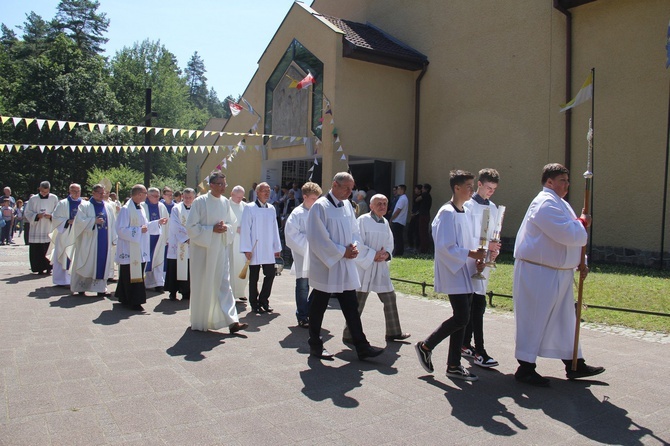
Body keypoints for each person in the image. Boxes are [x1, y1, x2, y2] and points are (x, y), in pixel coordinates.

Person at [513, 163, 605, 386]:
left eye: (567, 180)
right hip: (539, 272)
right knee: (534, 318)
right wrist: (583, 222)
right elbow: (566, 233)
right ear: (549, 182)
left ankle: (575, 363)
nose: (567, 184)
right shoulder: (544, 203)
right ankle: (525, 367)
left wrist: (580, 261)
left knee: (565, 320)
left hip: (559, 273)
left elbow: (573, 239)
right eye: (562, 180)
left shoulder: (561, 204)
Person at [414, 170, 486, 381]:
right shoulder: (447, 212)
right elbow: (445, 247)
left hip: (466, 270)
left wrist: (477, 260)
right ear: (457, 187)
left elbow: (468, 242)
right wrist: (471, 254)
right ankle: (426, 345)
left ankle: (453, 365)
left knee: (462, 319)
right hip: (453, 271)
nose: (472, 190)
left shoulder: (463, 211)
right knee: (462, 316)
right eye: (469, 186)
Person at [306, 172, 384, 361]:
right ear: (335, 185)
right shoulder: (320, 207)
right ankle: (315, 344)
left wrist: (354, 247)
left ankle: (362, 346)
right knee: (319, 306)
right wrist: (342, 251)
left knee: (351, 305)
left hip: (345, 264)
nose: (350, 192)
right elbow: (317, 238)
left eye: (352, 188)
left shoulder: (348, 205)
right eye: (346, 188)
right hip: (328, 266)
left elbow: (354, 231)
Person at [343, 194, 410, 343]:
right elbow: (356, 242)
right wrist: (372, 255)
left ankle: (393, 332)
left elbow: (389, 242)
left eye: (385, 203)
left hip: (380, 266)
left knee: (390, 298)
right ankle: (348, 334)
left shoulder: (385, 222)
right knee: (358, 303)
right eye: (379, 203)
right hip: (364, 267)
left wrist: (386, 254)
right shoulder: (363, 220)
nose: (382, 206)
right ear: (371, 206)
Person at [185, 172, 247, 333]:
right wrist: (210, 230)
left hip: (220, 250)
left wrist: (225, 228)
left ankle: (232, 321)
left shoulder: (225, 202)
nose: (223, 187)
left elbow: (231, 223)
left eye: (224, 184)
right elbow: (191, 227)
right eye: (220, 184)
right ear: (211, 185)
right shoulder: (200, 202)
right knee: (204, 284)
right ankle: (200, 320)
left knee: (224, 284)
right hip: (203, 251)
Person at [462, 169, 502, 368]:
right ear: (479, 184)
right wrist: (481, 250)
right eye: (488, 188)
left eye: (494, 189)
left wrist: (495, 249)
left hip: (485, 260)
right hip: (471, 259)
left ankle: (464, 343)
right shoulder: (468, 206)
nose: (490, 192)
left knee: (476, 302)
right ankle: (480, 351)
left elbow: (495, 232)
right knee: (475, 304)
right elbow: (467, 234)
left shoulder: (494, 208)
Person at [115, 185, 165, 310]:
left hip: (139, 247)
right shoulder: (126, 209)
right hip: (129, 249)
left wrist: (157, 222)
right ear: (138, 194)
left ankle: (124, 297)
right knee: (130, 274)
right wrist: (138, 230)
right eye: (144, 193)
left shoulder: (141, 208)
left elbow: (145, 225)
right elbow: (120, 230)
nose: (146, 195)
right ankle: (134, 301)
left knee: (133, 273)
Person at [240, 182, 282, 314]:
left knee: (270, 274)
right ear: (257, 193)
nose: (267, 193)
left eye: (269, 191)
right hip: (255, 247)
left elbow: (275, 229)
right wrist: (247, 248)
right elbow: (245, 229)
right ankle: (254, 303)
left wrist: (277, 247)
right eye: (264, 191)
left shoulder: (271, 208)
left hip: (268, 247)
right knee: (254, 277)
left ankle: (264, 300)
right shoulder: (249, 207)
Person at [285, 181, 322, 328]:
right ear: (305, 197)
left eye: (318, 198)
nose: (316, 201)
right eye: (313, 198)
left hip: (319, 254)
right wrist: (310, 247)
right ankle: (302, 315)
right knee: (303, 286)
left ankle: (308, 309)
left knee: (320, 286)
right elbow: (291, 235)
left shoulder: (319, 212)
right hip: (303, 254)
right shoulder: (297, 214)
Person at [70, 184, 117, 297]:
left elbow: (113, 223)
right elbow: (79, 222)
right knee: (87, 263)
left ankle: (100, 289)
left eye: (103, 193)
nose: (102, 195)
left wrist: (114, 238)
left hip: (104, 240)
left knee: (102, 263)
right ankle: (81, 287)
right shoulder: (85, 205)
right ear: (93, 193)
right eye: (100, 193)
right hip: (89, 241)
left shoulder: (108, 206)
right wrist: (93, 221)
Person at [165, 188, 195, 301]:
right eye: (186, 197)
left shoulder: (196, 209)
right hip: (177, 243)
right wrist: (187, 238)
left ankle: (186, 292)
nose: (188, 200)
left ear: (194, 198)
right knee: (175, 267)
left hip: (191, 244)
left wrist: (193, 236)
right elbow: (174, 225)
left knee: (187, 268)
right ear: (182, 196)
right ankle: (173, 291)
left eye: (190, 197)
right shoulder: (176, 208)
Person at [49, 184, 82, 286]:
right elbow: (55, 218)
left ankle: (75, 280)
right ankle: (62, 281)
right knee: (63, 256)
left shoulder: (85, 204)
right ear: (69, 191)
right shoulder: (62, 203)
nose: (76, 193)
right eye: (74, 191)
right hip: (65, 233)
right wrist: (68, 221)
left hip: (78, 235)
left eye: (78, 191)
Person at [24, 181, 59, 274]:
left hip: (48, 226)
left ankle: (49, 267)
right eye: (43, 192)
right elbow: (27, 212)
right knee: (37, 249)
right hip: (37, 227)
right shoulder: (33, 199)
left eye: (46, 192)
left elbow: (58, 211)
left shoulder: (54, 198)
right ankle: (38, 268)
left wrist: (51, 216)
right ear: (39, 189)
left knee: (48, 247)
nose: (44, 193)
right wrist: (36, 216)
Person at [143, 187, 169, 292]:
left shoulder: (162, 206)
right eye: (155, 196)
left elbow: (168, 222)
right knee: (145, 261)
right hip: (145, 238)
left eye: (159, 196)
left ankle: (158, 283)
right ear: (148, 196)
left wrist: (167, 237)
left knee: (158, 260)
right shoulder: (142, 206)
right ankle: (143, 282)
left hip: (159, 238)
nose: (158, 198)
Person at [228, 185, 249, 301]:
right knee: (231, 266)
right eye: (238, 197)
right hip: (231, 241)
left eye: (242, 197)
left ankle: (240, 291)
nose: (240, 199)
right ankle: (230, 292)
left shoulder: (245, 206)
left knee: (243, 266)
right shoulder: (226, 205)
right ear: (232, 194)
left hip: (243, 242)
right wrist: (235, 229)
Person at [390, 184, 408, 257]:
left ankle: (399, 252)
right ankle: (398, 251)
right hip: (398, 220)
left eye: (399, 189)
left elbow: (398, 210)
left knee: (398, 237)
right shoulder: (402, 198)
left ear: (402, 190)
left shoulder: (402, 199)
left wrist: (392, 218)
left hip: (398, 220)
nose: (397, 190)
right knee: (398, 237)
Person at [418, 183, 433, 253]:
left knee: (423, 232)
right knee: (424, 232)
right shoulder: (429, 196)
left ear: (426, 189)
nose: (422, 189)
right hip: (426, 215)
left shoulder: (425, 195)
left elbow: (417, 199)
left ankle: (424, 249)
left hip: (424, 215)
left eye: (423, 188)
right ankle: (425, 248)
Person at [407, 185, 422, 250]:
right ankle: (411, 245)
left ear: (419, 190)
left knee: (417, 232)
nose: (415, 190)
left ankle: (417, 247)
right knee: (409, 231)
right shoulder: (415, 197)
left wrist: (415, 214)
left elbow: (420, 208)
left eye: (416, 189)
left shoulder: (421, 197)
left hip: (417, 217)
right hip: (413, 216)